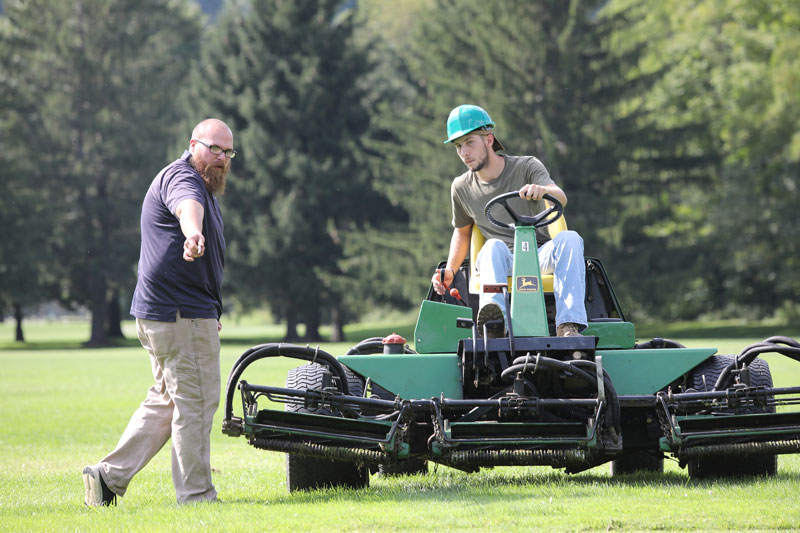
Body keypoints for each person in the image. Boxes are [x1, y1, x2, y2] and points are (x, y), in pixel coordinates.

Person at [82, 118, 235, 506]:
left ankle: (106, 477)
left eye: (227, 152)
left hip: (170, 313)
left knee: (168, 402)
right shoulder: (183, 179)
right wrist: (193, 233)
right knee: (196, 404)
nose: (219, 158)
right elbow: (188, 208)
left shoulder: (199, 184)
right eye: (213, 148)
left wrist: (210, 306)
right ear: (192, 144)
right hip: (180, 315)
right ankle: (197, 496)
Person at [431, 104, 586, 338]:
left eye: (470, 142)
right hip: (499, 260)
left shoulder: (526, 166)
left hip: (538, 255)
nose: (464, 152)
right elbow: (462, 232)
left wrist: (542, 190)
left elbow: (561, 198)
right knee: (493, 246)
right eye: (458, 146)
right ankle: (494, 325)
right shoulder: (461, 187)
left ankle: (568, 326)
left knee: (570, 238)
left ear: (489, 139)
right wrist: (450, 270)